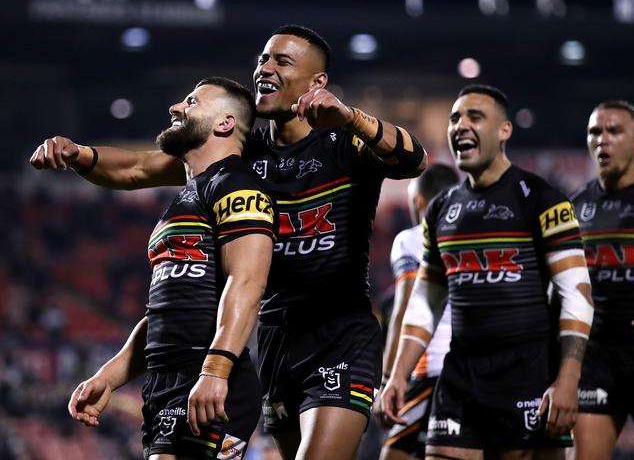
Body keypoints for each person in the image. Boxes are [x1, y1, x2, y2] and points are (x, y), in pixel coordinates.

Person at [31, 24, 427, 460]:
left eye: (282, 60)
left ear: (317, 83)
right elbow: (139, 168)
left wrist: (352, 117)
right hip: (273, 336)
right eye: (263, 58)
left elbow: (414, 159)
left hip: (339, 329)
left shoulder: (345, 141)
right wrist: (78, 155)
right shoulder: (240, 157)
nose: (265, 67)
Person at [380, 84, 594, 460]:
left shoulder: (543, 200)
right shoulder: (441, 209)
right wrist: (399, 373)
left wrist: (569, 379)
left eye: (475, 117)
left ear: (504, 130)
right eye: (455, 118)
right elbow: (426, 300)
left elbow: (575, 294)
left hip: (528, 376)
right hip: (460, 377)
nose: (461, 125)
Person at [66, 77, 275, 459]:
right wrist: (108, 379)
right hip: (165, 384)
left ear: (224, 123)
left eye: (192, 101)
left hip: (207, 377)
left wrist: (216, 371)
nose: (176, 108)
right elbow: (163, 314)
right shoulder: (185, 198)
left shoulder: (237, 186)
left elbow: (247, 282)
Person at [571, 100, 634, 460]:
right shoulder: (574, 207)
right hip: (598, 358)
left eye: (614, 131)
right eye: (595, 132)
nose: (603, 139)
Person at [373, 163, 458, 460]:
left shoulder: (410, 239)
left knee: (393, 455)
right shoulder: (468, 235)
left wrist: (387, 380)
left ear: (418, 201)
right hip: (469, 368)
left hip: (429, 369)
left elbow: (404, 308)